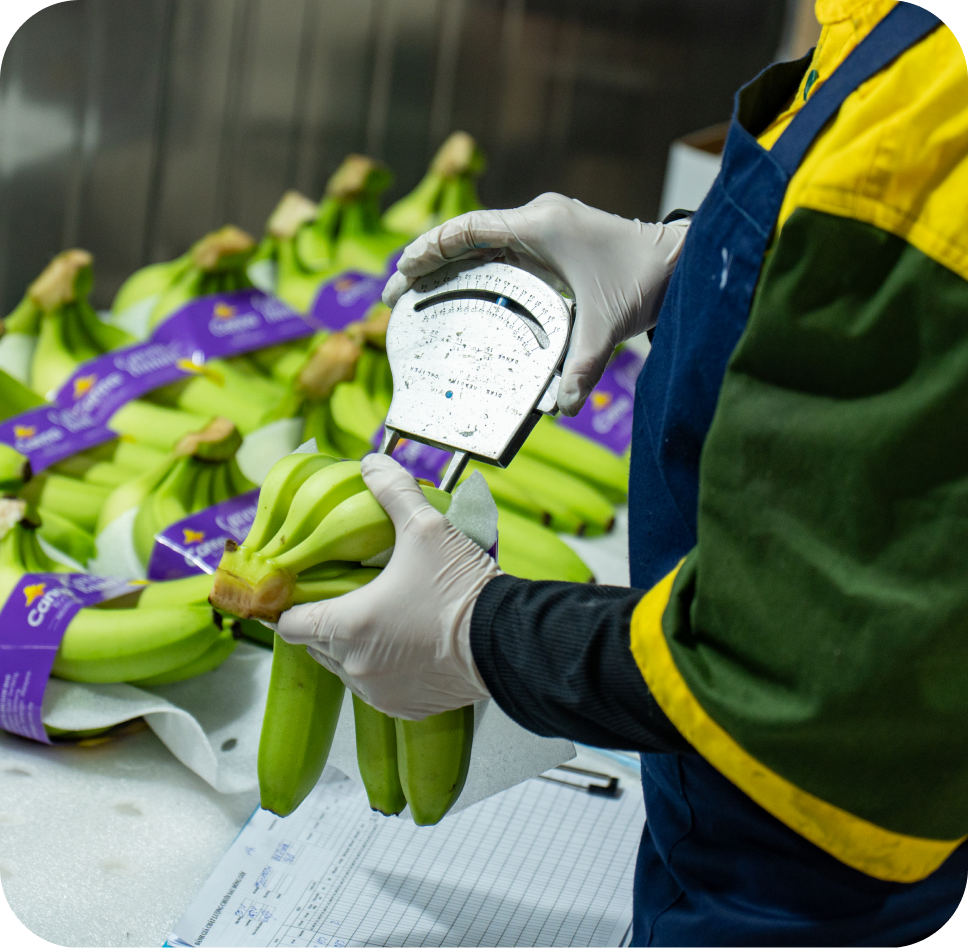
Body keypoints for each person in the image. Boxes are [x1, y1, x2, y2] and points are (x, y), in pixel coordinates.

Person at [279, 2, 968, 943]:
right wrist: (698, 259)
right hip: (749, 811)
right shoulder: (884, 36)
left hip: (834, 879)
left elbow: (793, 672)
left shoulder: (937, 114)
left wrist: (480, 633)